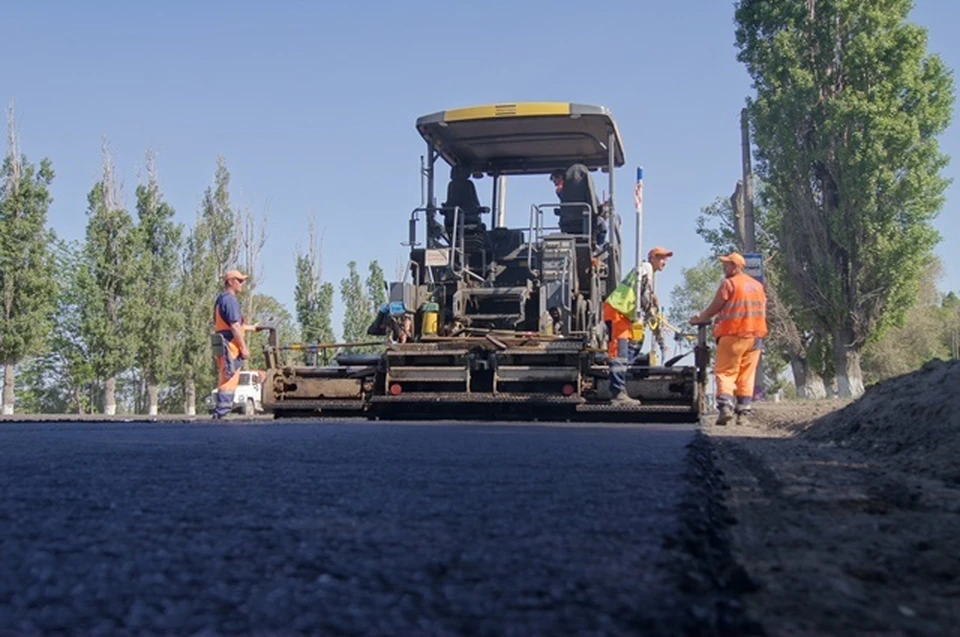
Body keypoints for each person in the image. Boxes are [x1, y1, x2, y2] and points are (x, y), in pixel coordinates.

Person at [690, 252, 767, 426]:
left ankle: (725, 407)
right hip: (756, 336)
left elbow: (715, 307)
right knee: (747, 375)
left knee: (725, 372)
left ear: (736, 266)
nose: (724, 267)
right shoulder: (757, 286)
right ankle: (743, 413)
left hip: (733, 334)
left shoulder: (730, 284)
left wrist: (700, 318)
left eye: (727, 264)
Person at [603, 247, 673, 405]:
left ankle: (620, 382)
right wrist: (652, 313)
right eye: (661, 258)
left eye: (665, 259)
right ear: (652, 258)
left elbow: (646, 297)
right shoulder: (645, 268)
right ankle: (617, 393)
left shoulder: (647, 273)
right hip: (618, 312)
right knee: (619, 353)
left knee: (636, 342)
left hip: (624, 315)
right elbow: (644, 297)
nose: (664, 262)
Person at [211, 269, 259, 419]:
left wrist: (251, 328)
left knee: (226, 378)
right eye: (239, 280)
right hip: (230, 347)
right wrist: (244, 347)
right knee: (229, 380)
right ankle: (221, 415)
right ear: (230, 282)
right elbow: (234, 326)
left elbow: (230, 325)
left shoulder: (221, 299)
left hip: (224, 345)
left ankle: (220, 414)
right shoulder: (230, 300)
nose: (242, 284)